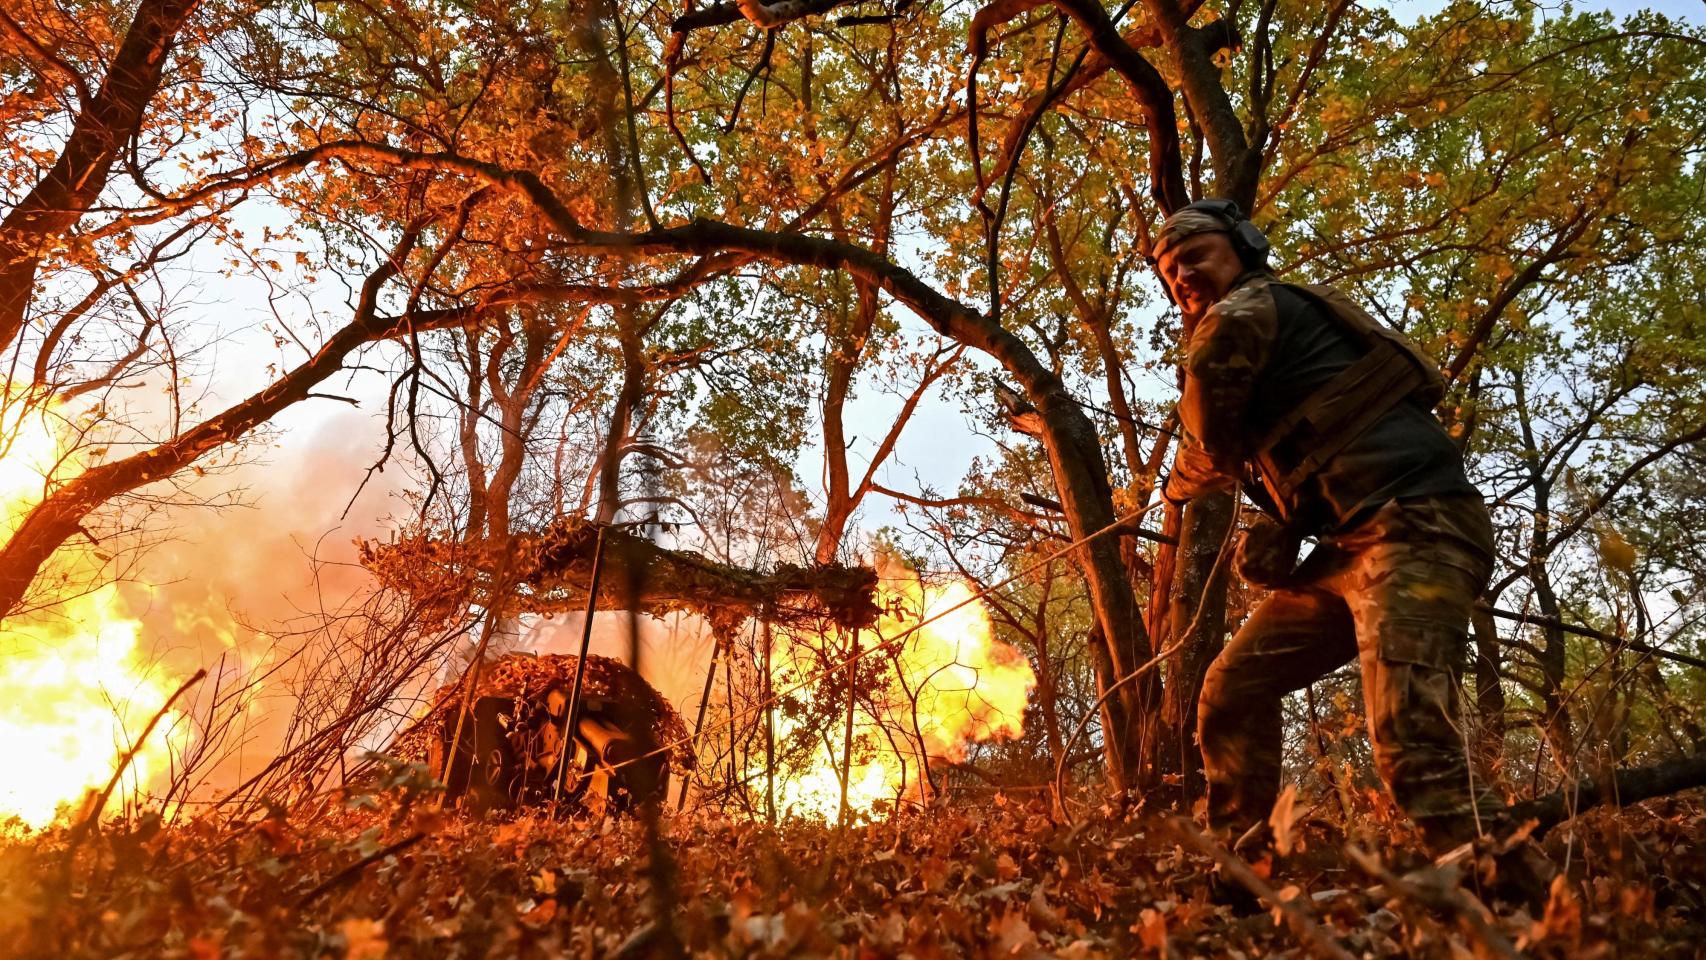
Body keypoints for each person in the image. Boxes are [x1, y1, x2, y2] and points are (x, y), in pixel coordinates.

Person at [1153, 198, 1520, 868]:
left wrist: (1174, 488)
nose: (1182, 275)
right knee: (1232, 689)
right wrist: (1284, 521)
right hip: (1351, 546)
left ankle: (1534, 911)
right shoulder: (1277, 326)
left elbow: (1209, 439)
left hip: (1417, 525)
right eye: (1170, 271)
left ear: (1244, 247)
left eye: (1195, 256)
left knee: (1412, 738)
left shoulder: (1240, 314)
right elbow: (1319, 441)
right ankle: (1239, 876)